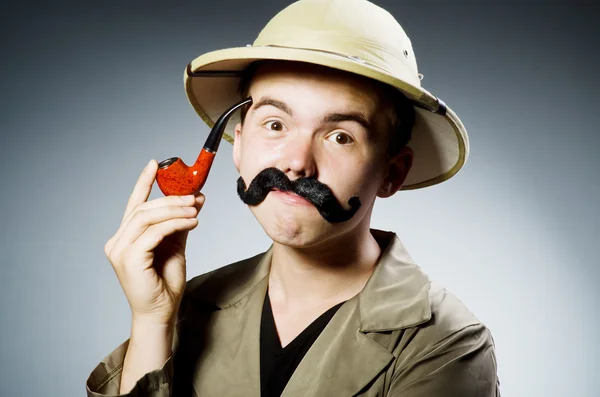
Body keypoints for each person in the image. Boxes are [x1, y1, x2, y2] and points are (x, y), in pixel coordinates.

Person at [86, 0, 501, 395]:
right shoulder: (191, 305)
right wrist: (152, 319)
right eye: (275, 124)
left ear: (391, 172)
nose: (297, 164)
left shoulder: (447, 345)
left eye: (340, 136)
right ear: (239, 145)